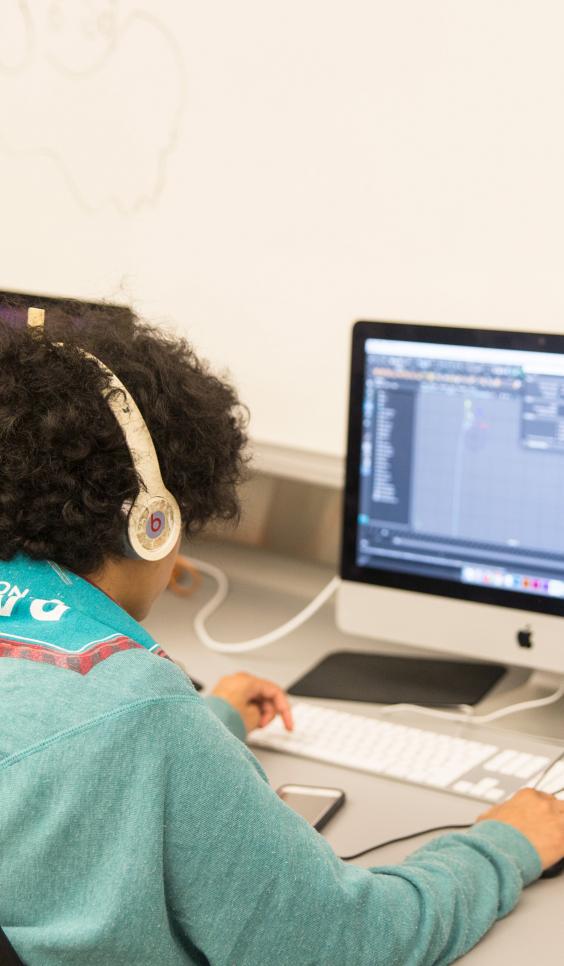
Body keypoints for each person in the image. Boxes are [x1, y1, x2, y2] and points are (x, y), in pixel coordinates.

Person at [0, 305, 563, 966]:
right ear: (151, 521)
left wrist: (203, 726)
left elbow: (49, 742)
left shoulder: (121, 714)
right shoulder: (139, 710)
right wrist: (501, 845)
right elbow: (347, 944)